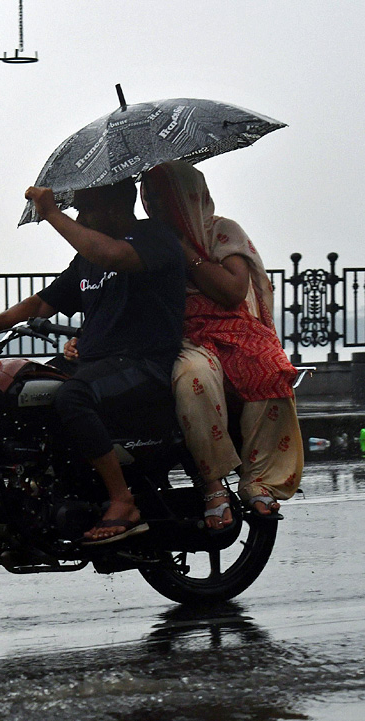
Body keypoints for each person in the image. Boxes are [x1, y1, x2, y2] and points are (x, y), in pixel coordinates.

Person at [0, 179, 186, 543]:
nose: (81, 217)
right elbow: (42, 304)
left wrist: (53, 213)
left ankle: (123, 499)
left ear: (115, 205)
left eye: (85, 208)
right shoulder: (86, 260)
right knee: (18, 390)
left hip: (143, 362)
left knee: (71, 397)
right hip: (95, 361)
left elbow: (114, 256)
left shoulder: (155, 237)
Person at [139, 161, 302, 526]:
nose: (156, 205)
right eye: (149, 197)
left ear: (186, 195)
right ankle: (213, 484)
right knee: (194, 378)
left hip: (235, 329)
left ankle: (258, 479)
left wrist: (189, 255)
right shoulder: (148, 238)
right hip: (181, 335)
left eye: (163, 197)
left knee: (271, 368)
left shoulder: (222, 232)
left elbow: (231, 292)